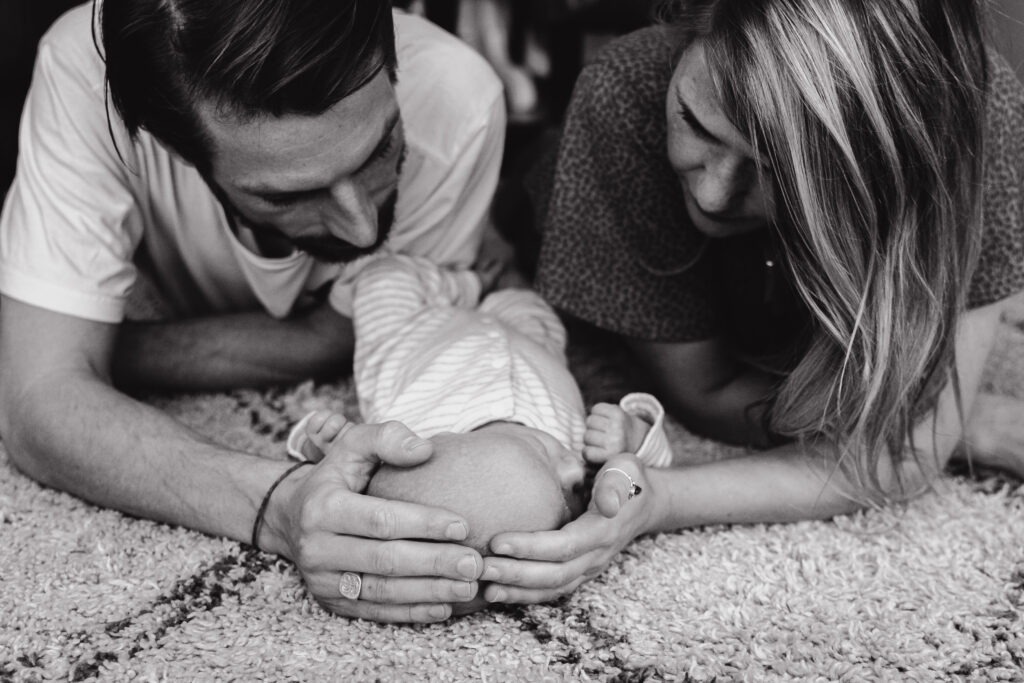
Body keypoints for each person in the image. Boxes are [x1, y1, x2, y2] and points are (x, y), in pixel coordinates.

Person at [475, 0, 1024, 606]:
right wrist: (943, 422)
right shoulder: (624, 92)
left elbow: (903, 454)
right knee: (517, 215)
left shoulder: (974, 119)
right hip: (543, 199)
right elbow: (708, 395)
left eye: (779, 172)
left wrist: (914, 423)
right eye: (695, 122)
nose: (714, 193)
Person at [0, 0, 511, 623]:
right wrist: (280, 504)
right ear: (171, 147)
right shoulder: (83, 73)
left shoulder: (460, 96)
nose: (360, 226)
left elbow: (353, 337)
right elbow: (36, 409)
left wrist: (89, 346)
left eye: (381, 149)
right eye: (288, 195)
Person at [285, 253, 674, 614]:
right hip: (531, 341)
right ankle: (493, 285)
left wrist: (321, 443)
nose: (574, 470)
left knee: (382, 278)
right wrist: (632, 437)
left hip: (413, 335)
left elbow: (338, 469)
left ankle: (467, 282)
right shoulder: (582, 465)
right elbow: (643, 476)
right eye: (566, 499)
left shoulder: (403, 439)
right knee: (532, 306)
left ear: (443, 443)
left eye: (542, 457)